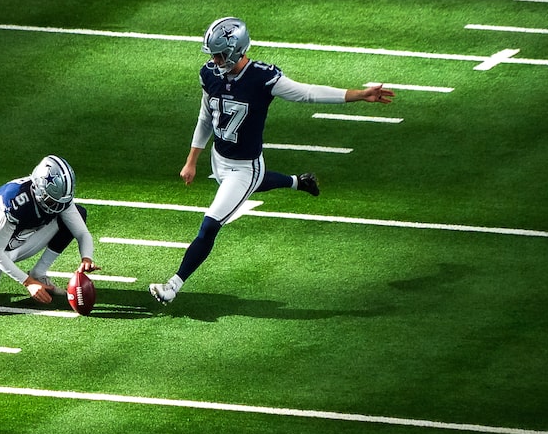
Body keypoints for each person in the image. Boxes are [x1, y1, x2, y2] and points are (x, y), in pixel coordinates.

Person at [148, 17, 395, 304]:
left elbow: (308, 94)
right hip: (219, 157)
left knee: (210, 225)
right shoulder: (210, 74)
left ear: (236, 50)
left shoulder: (262, 78)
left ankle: (172, 287)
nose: (214, 60)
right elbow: (206, 117)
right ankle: (299, 182)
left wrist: (358, 95)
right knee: (249, 185)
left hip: (244, 167)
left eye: (219, 54)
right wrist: (192, 160)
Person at [0, 155, 99, 314]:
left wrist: (87, 257)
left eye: (62, 202)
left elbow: (82, 233)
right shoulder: (15, 199)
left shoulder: (60, 198)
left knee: (77, 213)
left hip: (20, 240)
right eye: (52, 202)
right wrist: (28, 283)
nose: (58, 207)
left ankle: (39, 273)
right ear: (39, 189)